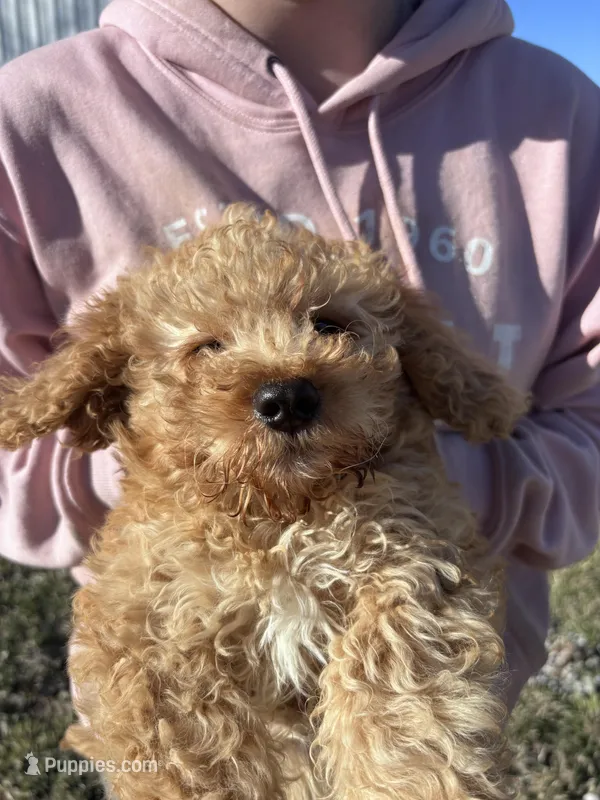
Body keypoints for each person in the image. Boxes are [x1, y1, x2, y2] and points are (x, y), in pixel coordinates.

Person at [0, 0, 598, 714]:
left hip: (443, 714)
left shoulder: (564, 117)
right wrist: (164, 472)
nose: (287, 377)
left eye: (334, 328)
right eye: (210, 348)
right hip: (182, 713)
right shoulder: (27, 122)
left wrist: (417, 489)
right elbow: (16, 433)